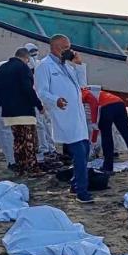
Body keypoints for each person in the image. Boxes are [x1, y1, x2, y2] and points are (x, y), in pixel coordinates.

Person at [35, 34, 94, 203]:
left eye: (69, 46)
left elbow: (82, 85)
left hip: (77, 116)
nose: (69, 50)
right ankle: (82, 192)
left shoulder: (68, 66)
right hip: (64, 115)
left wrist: (78, 65)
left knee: (85, 150)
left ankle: (76, 184)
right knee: (80, 153)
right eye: (65, 47)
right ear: (55, 47)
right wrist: (56, 100)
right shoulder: (44, 66)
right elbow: (42, 92)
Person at [0, 48, 44, 176]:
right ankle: (32, 168)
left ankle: (21, 167)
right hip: (24, 110)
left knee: (18, 140)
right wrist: (38, 105)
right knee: (29, 140)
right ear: (26, 58)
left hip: (9, 111)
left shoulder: (2, 68)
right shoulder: (23, 68)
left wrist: (3, 104)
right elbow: (28, 89)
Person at [82, 85, 128, 173]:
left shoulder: (81, 92)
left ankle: (108, 167)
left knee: (107, 137)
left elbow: (93, 102)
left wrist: (94, 123)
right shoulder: (89, 90)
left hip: (106, 107)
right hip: (119, 103)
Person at [25, 42, 58, 162]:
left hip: (42, 98)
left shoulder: (40, 65)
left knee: (45, 124)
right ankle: (46, 148)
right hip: (38, 98)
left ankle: (49, 148)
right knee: (41, 124)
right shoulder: (30, 67)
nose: (34, 54)